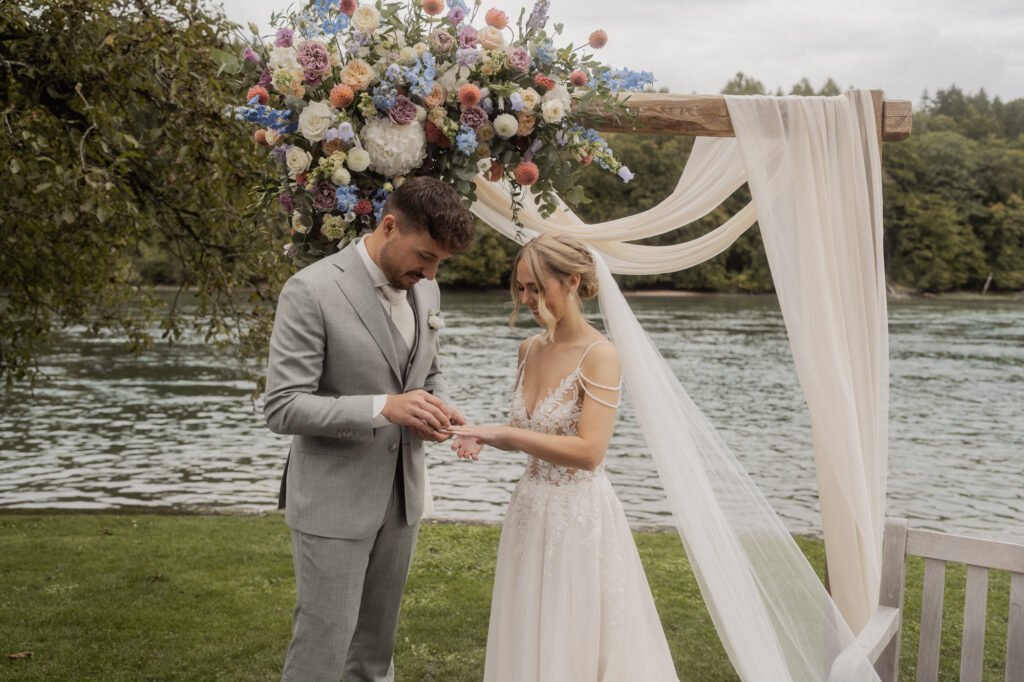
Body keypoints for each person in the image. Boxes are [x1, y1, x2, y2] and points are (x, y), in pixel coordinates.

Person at [263, 176, 475, 682]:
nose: (429, 272)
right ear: (388, 225)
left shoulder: (426, 289)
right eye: (425, 256)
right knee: (324, 644)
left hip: (402, 499)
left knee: (375, 653)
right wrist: (385, 407)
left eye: (439, 263)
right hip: (334, 501)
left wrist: (437, 407)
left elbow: (427, 372)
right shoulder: (311, 289)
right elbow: (284, 407)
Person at [449, 233, 680, 681]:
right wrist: (482, 436)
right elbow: (527, 431)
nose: (527, 298)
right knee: (527, 629)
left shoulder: (601, 355)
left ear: (572, 281)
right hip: (528, 509)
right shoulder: (528, 350)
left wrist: (504, 435)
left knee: (570, 633)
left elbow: (590, 452)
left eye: (537, 287)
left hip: (578, 516)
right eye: (520, 287)